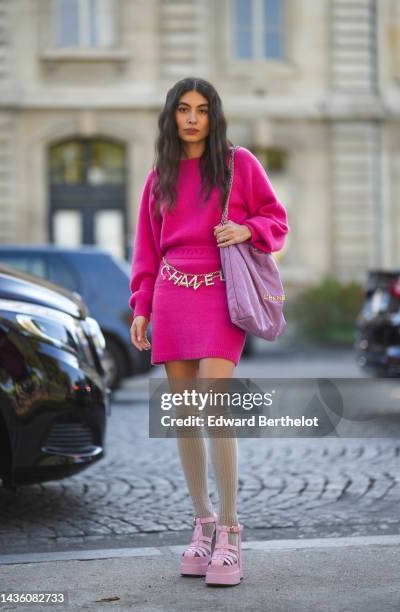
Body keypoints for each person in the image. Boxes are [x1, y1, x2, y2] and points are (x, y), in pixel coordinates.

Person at [129, 77, 289, 586]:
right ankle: (201, 524)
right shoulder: (161, 176)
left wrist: (248, 229)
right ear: (172, 116)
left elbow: (276, 219)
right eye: (183, 109)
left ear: (213, 115)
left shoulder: (239, 163)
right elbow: (147, 249)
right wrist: (140, 305)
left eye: (201, 109)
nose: (192, 118)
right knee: (183, 414)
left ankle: (231, 533)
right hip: (172, 294)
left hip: (222, 293)